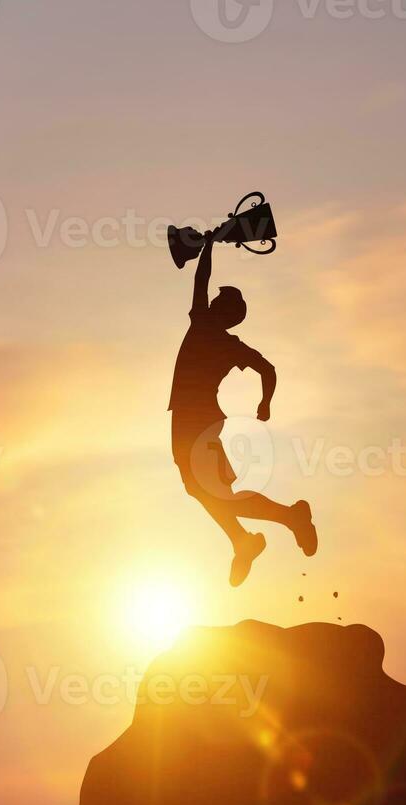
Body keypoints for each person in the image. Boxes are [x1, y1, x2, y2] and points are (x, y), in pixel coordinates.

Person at [169, 230, 318, 587]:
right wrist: (264, 401)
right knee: (201, 491)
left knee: (217, 494)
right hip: (187, 424)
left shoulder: (208, 328)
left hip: (197, 423)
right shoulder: (219, 335)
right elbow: (267, 369)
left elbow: (200, 278)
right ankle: (245, 540)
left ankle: (282, 521)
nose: (212, 302)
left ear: (225, 313)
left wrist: (207, 246)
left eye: (220, 302)